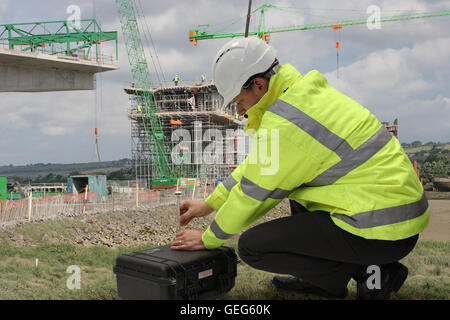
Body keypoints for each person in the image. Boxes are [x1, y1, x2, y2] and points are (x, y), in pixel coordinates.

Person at [171, 37, 429, 300]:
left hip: (384, 230)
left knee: (252, 248)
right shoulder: (301, 93)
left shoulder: (287, 124)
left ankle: (369, 273)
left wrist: (209, 238)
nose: (239, 110)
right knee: (299, 198)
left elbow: (252, 195)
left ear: (259, 85)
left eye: (239, 100)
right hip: (395, 217)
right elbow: (261, 164)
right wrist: (210, 204)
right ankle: (338, 278)